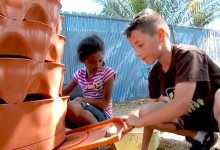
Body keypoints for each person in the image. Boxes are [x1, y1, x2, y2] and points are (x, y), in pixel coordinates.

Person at [124, 9, 220, 150]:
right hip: (194, 118)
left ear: (160, 34)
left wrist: (140, 122)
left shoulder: (188, 55)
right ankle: (201, 136)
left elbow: (181, 104)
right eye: (134, 48)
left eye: (140, 45)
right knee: (146, 111)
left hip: (214, 113)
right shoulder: (155, 74)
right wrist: (144, 147)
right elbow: (148, 116)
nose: (137, 53)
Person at [62, 34, 116, 128]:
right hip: (88, 111)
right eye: (92, 62)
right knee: (63, 114)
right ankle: (92, 132)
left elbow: (104, 103)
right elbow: (63, 92)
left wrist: (82, 99)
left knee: (72, 106)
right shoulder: (80, 74)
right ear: (83, 60)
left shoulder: (107, 74)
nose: (98, 65)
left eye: (100, 60)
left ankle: (102, 132)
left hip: (104, 115)